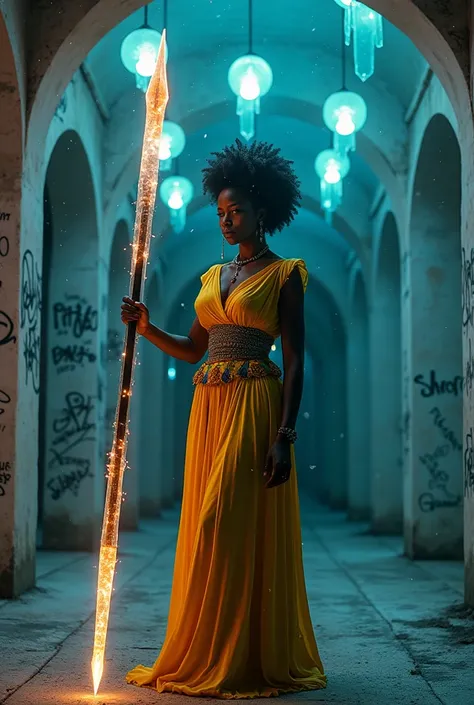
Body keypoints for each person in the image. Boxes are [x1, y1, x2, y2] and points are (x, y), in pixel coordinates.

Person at [121, 139, 327, 698]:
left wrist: (285, 435)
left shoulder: (287, 274)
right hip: (209, 404)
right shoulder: (213, 278)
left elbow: (296, 358)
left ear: (263, 211)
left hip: (256, 403)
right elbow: (194, 350)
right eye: (220, 213)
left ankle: (241, 653)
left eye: (236, 211)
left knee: (222, 518)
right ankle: (210, 649)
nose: (227, 221)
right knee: (207, 531)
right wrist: (145, 326)